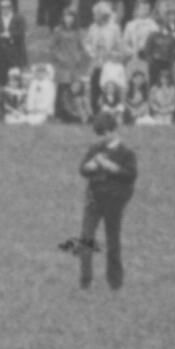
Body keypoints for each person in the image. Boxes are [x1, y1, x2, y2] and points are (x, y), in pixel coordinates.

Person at [70, 118, 136, 290]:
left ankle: (115, 282)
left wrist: (109, 166)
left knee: (113, 241)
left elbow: (130, 175)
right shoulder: (95, 149)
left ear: (114, 130)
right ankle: (85, 281)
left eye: (104, 133)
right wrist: (90, 166)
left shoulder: (126, 153)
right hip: (94, 199)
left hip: (114, 201)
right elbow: (82, 169)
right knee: (86, 238)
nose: (101, 137)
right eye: (99, 134)